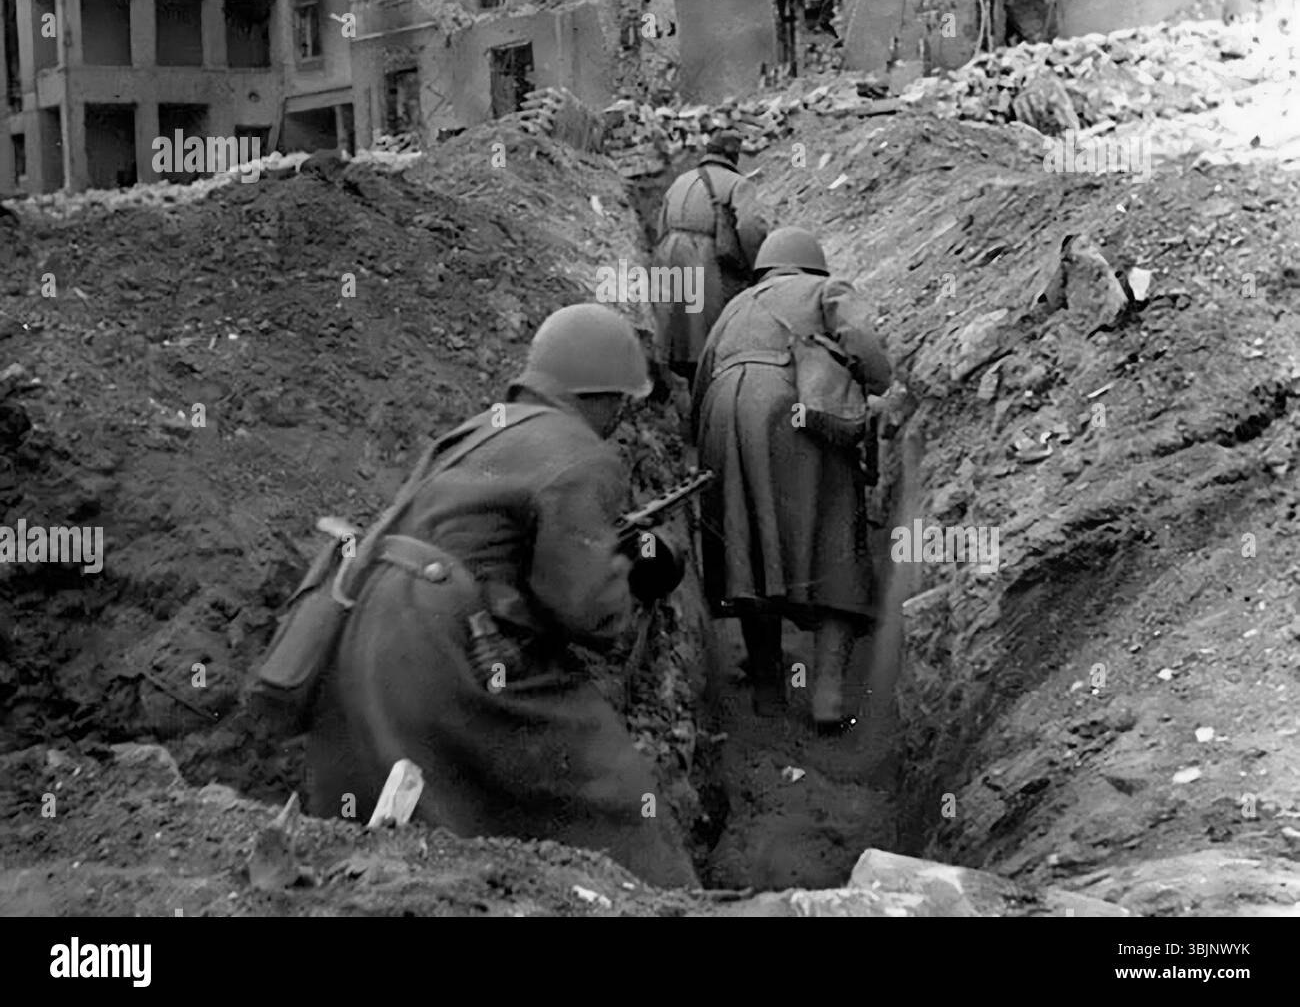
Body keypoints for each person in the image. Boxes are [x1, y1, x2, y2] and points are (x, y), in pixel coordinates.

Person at [305, 303, 696, 888]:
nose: (621, 416)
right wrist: (630, 569)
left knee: (418, 825)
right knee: (611, 790)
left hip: (367, 627)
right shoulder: (582, 453)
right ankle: (670, 898)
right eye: (621, 400)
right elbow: (583, 609)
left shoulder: (483, 427)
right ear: (601, 394)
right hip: (446, 641)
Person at [691, 228, 892, 732]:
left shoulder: (735, 307)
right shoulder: (826, 290)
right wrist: (880, 384)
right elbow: (864, 345)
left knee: (747, 552)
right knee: (834, 543)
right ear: (813, 266)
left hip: (723, 414)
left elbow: (699, 383)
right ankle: (826, 697)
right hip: (796, 410)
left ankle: (766, 688)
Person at [651, 129, 768, 387]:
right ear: (733, 155)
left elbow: (659, 226)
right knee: (705, 334)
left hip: (666, 253)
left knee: (672, 327)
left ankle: (668, 385)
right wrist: (759, 267)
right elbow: (750, 227)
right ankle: (707, 390)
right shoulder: (738, 184)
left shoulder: (680, 181)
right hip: (701, 256)